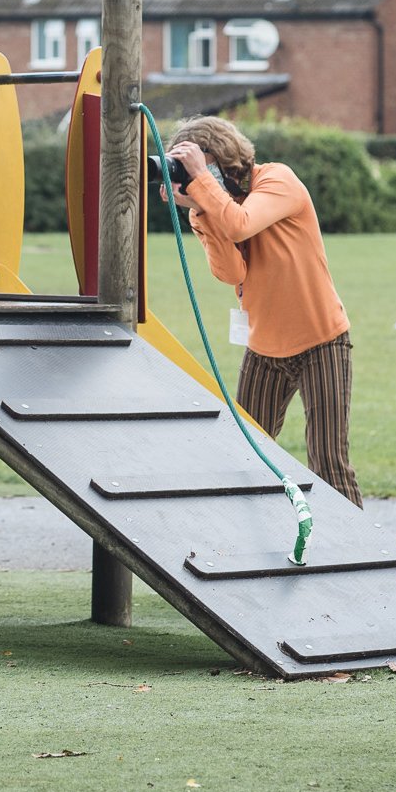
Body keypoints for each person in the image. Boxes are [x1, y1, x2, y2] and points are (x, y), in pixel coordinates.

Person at [161, 115, 362, 508]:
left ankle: (366, 559)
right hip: (264, 348)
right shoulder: (215, 206)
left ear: (221, 159)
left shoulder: (277, 179)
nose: (193, 176)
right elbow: (231, 272)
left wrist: (203, 184)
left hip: (321, 341)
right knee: (247, 458)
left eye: (200, 165)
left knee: (329, 464)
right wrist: (200, 211)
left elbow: (242, 225)